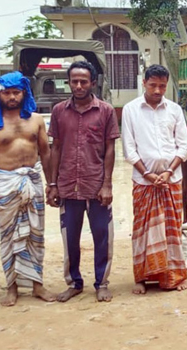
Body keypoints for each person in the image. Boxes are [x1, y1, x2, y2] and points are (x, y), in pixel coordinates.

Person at [0, 71, 57, 306]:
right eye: (6, 93)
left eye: (16, 92)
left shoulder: (36, 120)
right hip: (6, 183)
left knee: (36, 234)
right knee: (8, 236)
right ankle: (11, 287)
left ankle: (37, 285)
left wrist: (51, 184)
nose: (11, 97)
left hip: (32, 181)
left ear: (24, 93)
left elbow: (46, 153)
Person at [46, 61, 119, 303]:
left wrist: (107, 184)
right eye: (74, 81)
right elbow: (55, 147)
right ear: (68, 82)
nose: (78, 86)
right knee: (70, 239)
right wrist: (53, 184)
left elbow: (110, 149)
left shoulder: (106, 111)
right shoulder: (58, 111)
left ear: (93, 83)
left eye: (83, 81)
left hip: (96, 186)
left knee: (102, 236)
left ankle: (102, 283)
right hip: (68, 185)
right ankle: (74, 283)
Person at [121, 64, 187, 294]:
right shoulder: (130, 110)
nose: (158, 90)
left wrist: (168, 172)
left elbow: (184, 146)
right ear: (144, 83)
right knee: (143, 231)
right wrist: (147, 173)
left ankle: (174, 276)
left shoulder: (175, 110)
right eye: (153, 85)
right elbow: (129, 149)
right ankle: (142, 277)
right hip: (143, 182)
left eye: (162, 86)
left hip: (172, 180)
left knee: (172, 230)